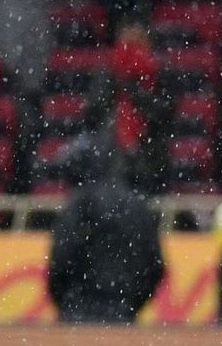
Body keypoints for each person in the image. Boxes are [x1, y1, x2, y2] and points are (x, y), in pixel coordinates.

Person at [47, 135, 165, 323]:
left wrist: (66, 299)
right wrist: (132, 301)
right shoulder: (138, 205)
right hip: (122, 309)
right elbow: (155, 266)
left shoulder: (79, 204)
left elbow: (60, 259)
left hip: (77, 306)